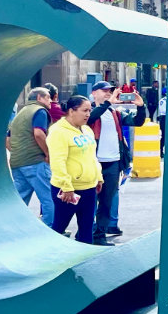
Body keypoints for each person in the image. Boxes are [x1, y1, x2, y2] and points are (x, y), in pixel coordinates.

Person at [88, 80, 145, 245]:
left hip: (113, 163)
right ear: (94, 93)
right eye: (104, 90)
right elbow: (91, 118)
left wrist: (141, 106)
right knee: (90, 201)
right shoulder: (89, 110)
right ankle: (85, 233)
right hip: (94, 163)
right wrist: (107, 103)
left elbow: (138, 122)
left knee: (106, 202)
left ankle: (100, 235)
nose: (108, 93)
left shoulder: (116, 113)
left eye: (110, 91)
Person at [47, 95, 102, 243]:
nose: (88, 114)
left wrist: (98, 177)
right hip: (68, 190)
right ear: (71, 111)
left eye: (90, 110)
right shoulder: (58, 131)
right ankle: (52, 259)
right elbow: (58, 161)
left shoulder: (86, 130)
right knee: (59, 227)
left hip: (89, 188)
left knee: (87, 228)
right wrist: (66, 186)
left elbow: (92, 156)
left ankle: (85, 262)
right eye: (84, 110)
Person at [6, 87, 55, 227]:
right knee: (48, 199)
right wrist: (48, 154)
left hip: (17, 163)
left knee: (20, 198)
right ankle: (50, 228)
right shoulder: (39, 111)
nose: (50, 100)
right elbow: (39, 133)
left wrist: (18, 152)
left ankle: (12, 226)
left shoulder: (20, 113)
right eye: (48, 97)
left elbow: (7, 139)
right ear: (39, 98)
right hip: (35, 162)